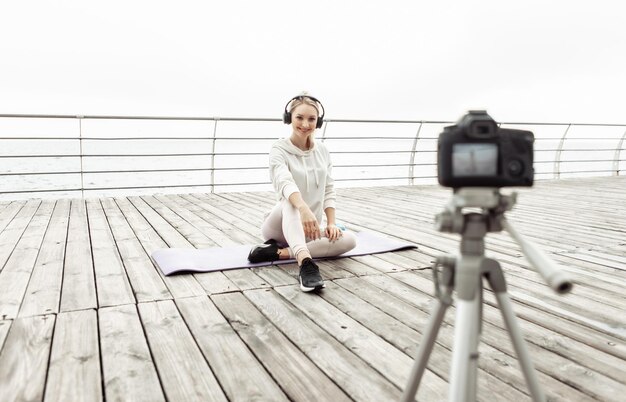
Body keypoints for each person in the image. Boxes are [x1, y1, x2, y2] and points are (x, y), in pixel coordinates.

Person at [248, 93, 357, 292]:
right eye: (299, 117)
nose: (305, 124)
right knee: (290, 200)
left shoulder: (322, 150)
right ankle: (305, 263)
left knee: (349, 240)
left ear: (319, 122)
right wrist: (304, 209)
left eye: (311, 119)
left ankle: (280, 253)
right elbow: (284, 182)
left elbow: (329, 188)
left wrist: (331, 223)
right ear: (289, 118)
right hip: (280, 226)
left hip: (308, 230)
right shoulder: (278, 149)